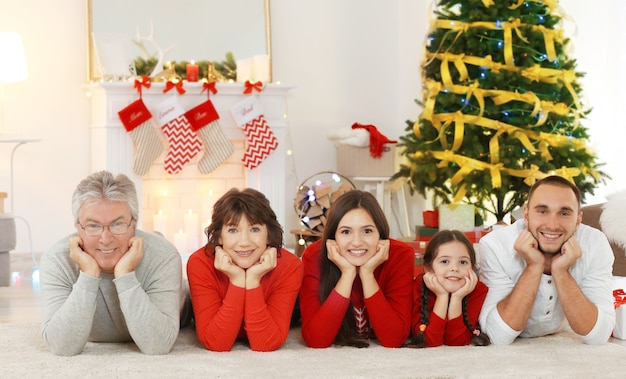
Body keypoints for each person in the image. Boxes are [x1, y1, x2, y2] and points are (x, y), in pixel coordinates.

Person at [40, 171, 185, 356]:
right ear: (78, 226)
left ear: (134, 224)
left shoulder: (163, 256)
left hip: (180, 302)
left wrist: (125, 274)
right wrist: (89, 274)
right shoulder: (56, 259)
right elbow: (62, 346)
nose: (106, 238)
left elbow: (158, 345)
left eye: (117, 224)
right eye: (93, 226)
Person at [479, 175, 616, 345]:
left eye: (564, 213)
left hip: (562, 334)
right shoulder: (495, 245)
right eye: (542, 211)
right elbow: (497, 336)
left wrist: (561, 271)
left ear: (578, 220)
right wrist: (534, 266)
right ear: (527, 214)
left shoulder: (595, 243)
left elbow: (599, 336)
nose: (552, 225)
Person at [186, 188, 303, 352]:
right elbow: (217, 343)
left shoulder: (289, 266)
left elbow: (266, 344)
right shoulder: (200, 262)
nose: (244, 242)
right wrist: (237, 280)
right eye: (233, 230)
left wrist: (253, 281)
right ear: (219, 236)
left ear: (269, 234)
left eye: (254, 229)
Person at [299, 190, 414, 348]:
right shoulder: (314, 255)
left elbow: (394, 339)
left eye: (367, 231)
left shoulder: (400, 254)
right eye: (346, 232)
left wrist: (367, 274)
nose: (357, 242)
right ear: (333, 237)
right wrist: (347, 274)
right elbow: (316, 340)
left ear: (380, 235)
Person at [406, 230, 490, 347]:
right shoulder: (418, 286)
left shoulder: (478, 290)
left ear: (473, 268)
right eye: (445, 261)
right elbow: (429, 340)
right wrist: (442, 296)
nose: (455, 268)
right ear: (428, 268)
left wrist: (457, 299)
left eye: (463, 262)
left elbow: (457, 341)